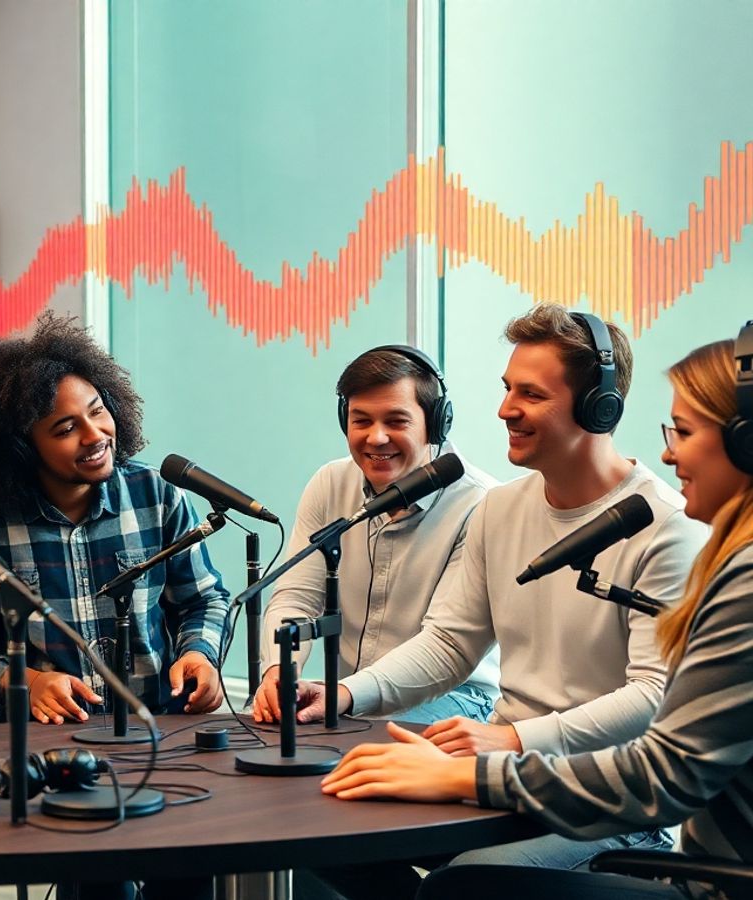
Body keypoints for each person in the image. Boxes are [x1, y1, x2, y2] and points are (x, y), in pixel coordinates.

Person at [322, 328, 753, 900]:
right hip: (526, 773)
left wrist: (501, 753)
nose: (504, 409)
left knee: (464, 886)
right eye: (506, 389)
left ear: (598, 407)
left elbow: (658, 729)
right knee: (334, 837)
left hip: (610, 800)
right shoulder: (499, 508)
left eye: (530, 394)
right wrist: (345, 694)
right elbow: (451, 641)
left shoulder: (681, 536)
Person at [0, 313, 231, 726]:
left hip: (155, 730)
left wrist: (199, 653)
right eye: (66, 429)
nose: (95, 435)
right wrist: (29, 682)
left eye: (98, 411)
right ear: (22, 449)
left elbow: (202, 598)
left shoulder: (157, 494)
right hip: (36, 742)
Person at [251, 345, 499, 727]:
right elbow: (297, 596)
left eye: (396, 421)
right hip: (349, 694)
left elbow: (443, 646)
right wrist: (279, 671)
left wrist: (346, 696)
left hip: (454, 697)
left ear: (434, 424)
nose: (376, 438)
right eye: (361, 420)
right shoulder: (330, 483)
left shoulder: (482, 504)